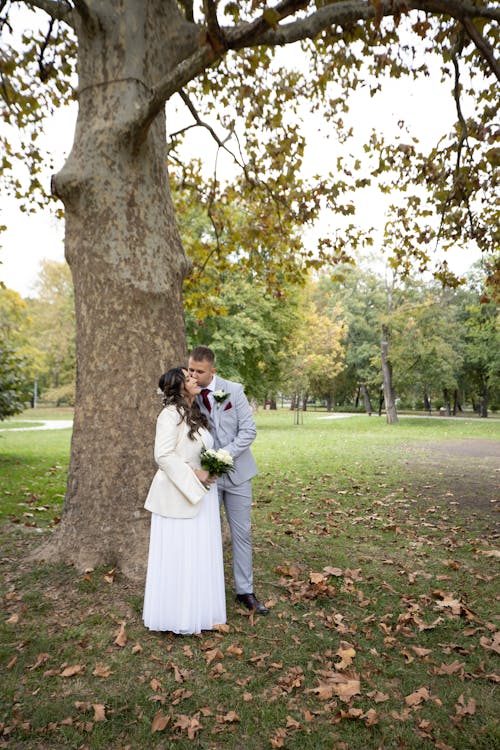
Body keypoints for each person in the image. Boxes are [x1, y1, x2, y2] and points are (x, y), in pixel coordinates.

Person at [142, 367, 226, 634]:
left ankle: (201, 611)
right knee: (181, 555)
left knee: (200, 554)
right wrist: (197, 474)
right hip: (178, 494)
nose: (195, 379)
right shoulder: (169, 415)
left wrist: (212, 466)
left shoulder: (194, 414)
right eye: (189, 378)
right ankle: (177, 616)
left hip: (204, 495)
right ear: (178, 387)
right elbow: (163, 456)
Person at [188, 346, 269, 616]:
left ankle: (245, 591)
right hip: (207, 479)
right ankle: (206, 590)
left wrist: (223, 457)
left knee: (242, 534)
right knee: (207, 536)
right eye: (191, 370)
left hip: (238, 475)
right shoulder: (188, 394)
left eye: (200, 371)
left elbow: (249, 431)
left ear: (213, 371)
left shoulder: (233, 390)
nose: (194, 375)